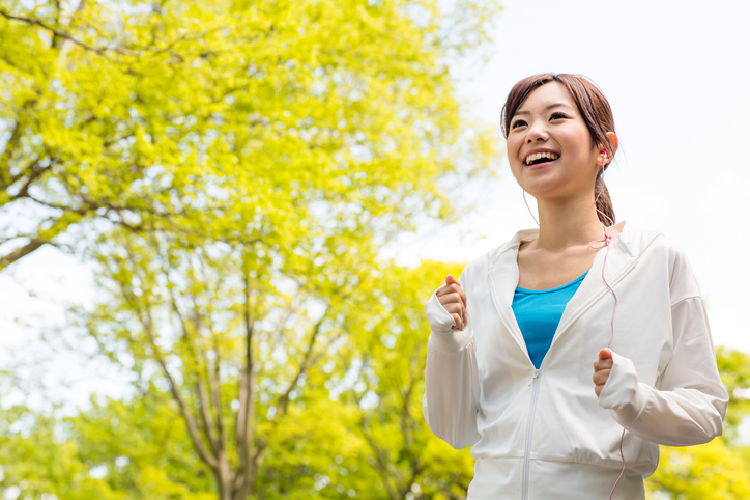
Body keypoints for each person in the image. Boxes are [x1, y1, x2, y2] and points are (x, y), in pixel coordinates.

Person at [422, 73, 728, 500]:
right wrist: (447, 342)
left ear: (604, 148)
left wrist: (635, 400)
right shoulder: (481, 275)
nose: (533, 134)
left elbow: (706, 412)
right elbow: (453, 428)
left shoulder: (655, 261)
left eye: (556, 117)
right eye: (519, 124)